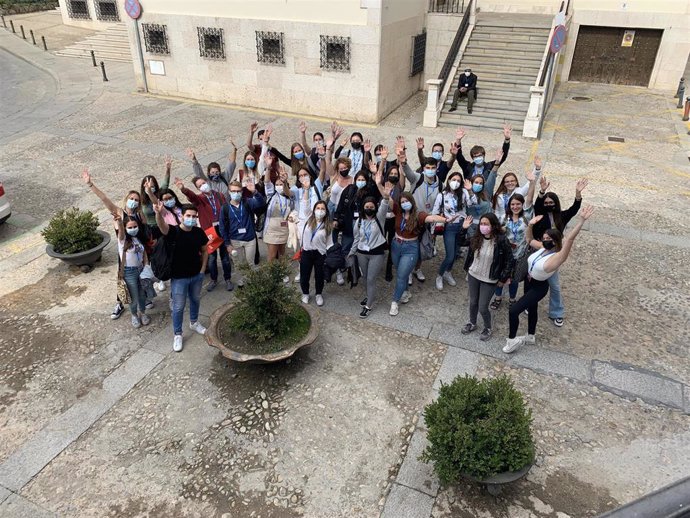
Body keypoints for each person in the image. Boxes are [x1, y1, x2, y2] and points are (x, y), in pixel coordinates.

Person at [504, 206, 595, 354]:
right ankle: (531, 336)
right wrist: (531, 224)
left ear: (556, 241)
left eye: (549, 239)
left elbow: (570, 239)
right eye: (545, 238)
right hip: (529, 281)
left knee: (514, 311)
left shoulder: (558, 256)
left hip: (538, 287)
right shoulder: (542, 248)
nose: (546, 240)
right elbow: (529, 239)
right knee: (532, 309)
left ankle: (512, 340)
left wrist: (581, 221)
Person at [81, 168, 153, 320]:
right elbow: (105, 199)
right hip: (125, 250)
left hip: (139, 250)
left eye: (136, 199)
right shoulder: (120, 213)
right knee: (124, 278)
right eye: (131, 198)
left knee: (142, 278)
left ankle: (144, 300)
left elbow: (146, 232)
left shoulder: (140, 215)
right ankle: (120, 302)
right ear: (127, 198)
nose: (133, 201)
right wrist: (90, 184)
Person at [377, 178, 448, 317]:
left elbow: (431, 218)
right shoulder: (398, 210)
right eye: (402, 202)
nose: (404, 204)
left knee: (401, 276)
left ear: (412, 202)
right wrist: (380, 185)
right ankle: (404, 292)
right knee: (400, 272)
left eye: (407, 201)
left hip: (411, 247)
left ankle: (394, 302)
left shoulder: (419, 215)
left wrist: (445, 219)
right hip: (396, 245)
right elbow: (387, 198)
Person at [531, 176, 588, 327]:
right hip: (538, 249)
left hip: (554, 253)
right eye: (546, 202)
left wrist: (577, 193)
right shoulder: (539, 214)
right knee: (533, 281)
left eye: (551, 202)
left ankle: (557, 312)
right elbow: (537, 204)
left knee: (554, 286)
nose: (549, 204)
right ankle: (530, 305)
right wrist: (542, 191)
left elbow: (574, 209)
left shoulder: (562, 216)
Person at [154, 201, 209, 352]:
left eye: (194, 216)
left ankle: (194, 322)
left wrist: (203, 270)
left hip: (196, 275)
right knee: (178, 307)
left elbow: (205, 251)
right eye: (188, 216)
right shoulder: (173, 232)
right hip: (179, 278)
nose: (191, 218)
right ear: (182, 217)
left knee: (196, 300)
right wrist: (158, 213)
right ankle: (177, 334)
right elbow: (162, 227)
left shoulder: (198, 232)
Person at [491, 159, 541, 309]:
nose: (515, 206)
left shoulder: (526, 216)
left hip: (519, 255)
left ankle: (512, 299)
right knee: (501, 277)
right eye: (512, 204)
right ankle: (498, 297)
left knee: (513, 280)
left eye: (518, 204)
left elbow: (530, 198)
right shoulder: (504, 218)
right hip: (505, 254)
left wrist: (532, 182)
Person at [458, 213, 514, 342]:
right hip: (474, 274)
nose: (483, 227)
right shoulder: (477, 238)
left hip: (490, 278)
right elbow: (461, 242)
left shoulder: (501, 240)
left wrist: (503, 278)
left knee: (483, 306)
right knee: (473, 302)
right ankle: (472, 323)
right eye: (481, 224)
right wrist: (464, 228)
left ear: (493, 225)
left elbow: (509, 261)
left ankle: (488, 327)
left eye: (486, 224)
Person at [174, 175, 233, 292]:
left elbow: (226, 209)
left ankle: (228, 279)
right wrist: (183, 189)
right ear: (198, 188)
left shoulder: (219, 195)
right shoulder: (200, 199)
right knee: (211, 258)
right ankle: (213, 279)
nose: (203, 186)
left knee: (225, 257)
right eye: (199, 186)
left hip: (222, 230)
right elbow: (192, 197)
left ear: (207, 182)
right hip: (209, 232)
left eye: (203, 183)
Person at [333, 168, 382, 285]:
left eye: (363, 179)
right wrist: (336, 218)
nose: (360, 182)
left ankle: (360, 267)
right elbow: (341, 205)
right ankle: (343, 267)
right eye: (358, 179)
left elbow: (378, 196)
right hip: (349, 224)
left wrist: (375, 175)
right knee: (346, 246)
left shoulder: (370, 191)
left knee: (362, 247)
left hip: (365, 224)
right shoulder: (349, 190)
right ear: (355, 181)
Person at [402, 149, 442, 285]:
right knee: (411, 247)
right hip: (413, 219)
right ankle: (407, 271)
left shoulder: (440, 184)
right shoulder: (417, 178)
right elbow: (408, 173)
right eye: (427, 168)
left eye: (433, 168)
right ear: (424, 168)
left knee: (423, 248)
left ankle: (417, 268)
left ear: (437, 168)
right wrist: (403, 163)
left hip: (428, 221)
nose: (430, 170)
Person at [432, 172, 476, 291]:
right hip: (449, 227)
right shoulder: (442, 195)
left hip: (462, 227)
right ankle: (440, 275)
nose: (455, 182)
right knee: (450, 256)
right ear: (449, 180)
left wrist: (470, 190)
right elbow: (435, 212)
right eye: (453, 179)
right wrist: (446, 219)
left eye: (458, 180)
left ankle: (448, 272)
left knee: (456, 252)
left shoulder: (464, 193)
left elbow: (473, 203)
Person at [218, 179, 266, 286]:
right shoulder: (225, 208)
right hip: (235, 240)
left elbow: (261, 203)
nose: (236, 193)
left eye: (238, 191)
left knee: (250, 263)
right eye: (233, 191)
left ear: (242, 192)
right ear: (229, 192)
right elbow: (222, 228)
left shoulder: (247, 202)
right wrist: (227, 244)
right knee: (238, 264)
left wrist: (255, 192)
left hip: (250, 239)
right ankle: (241, 282)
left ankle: (252, 281)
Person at [349, 195, 389, 318]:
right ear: (363, 208)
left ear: (375, 208)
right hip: (362, 253)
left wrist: (386, 197)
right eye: (367, 207)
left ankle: (369, 306)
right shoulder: (359, 221)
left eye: (372, 207)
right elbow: (356, 238)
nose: (369, 209)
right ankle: (369, 296)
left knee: (371, 279)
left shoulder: (379, 218)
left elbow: (384, 206)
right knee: (365, 277)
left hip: (376, 253)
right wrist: (352, 251)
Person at [113, 212, 151, 328]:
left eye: (135, 226)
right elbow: (120, 232)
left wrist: (146, 265)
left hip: (141, 269)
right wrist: (119, 222)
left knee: (142, 294)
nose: (133, 229)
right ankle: (134, 315)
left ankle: (143, 313)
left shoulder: (138, 238)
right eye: (130, 227)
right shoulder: (123, 240)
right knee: (133, 296)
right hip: (129, 272)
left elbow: (144, 253)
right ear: (125, 228)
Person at [299, 200, 333, 306]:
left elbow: (329, 242)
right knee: (304, 275)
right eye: (318, 208)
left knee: (319, 275)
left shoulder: (327, 225)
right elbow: (305, 205)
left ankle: (318, 294)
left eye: (322, 209)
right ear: (314, 210)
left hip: (320, 254)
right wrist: (306, 189)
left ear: (326, 211)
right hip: (307, 252)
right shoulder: (308, 219)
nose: (320, 211)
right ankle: (305, 293)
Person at [262, 167, 295, 276]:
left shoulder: (289, 197)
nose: (279, 186)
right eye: (277, 184)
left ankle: (282, 272)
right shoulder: (271, 195)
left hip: (284, 229)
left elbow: (291, 208)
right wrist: (268, 168)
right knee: (272, 254)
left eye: (281, 185)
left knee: (282, 253)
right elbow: (267, 182)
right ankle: (270, 274)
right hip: (271, 229)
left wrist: (285, 181)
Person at [139, 157, 171, 237]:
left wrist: (168, 169)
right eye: (147, 186)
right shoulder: (141, 200)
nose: (150, 188)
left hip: (163, 225)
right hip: (151, 229)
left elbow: (166, 182)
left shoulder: (160, 193)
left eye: (152, 186)